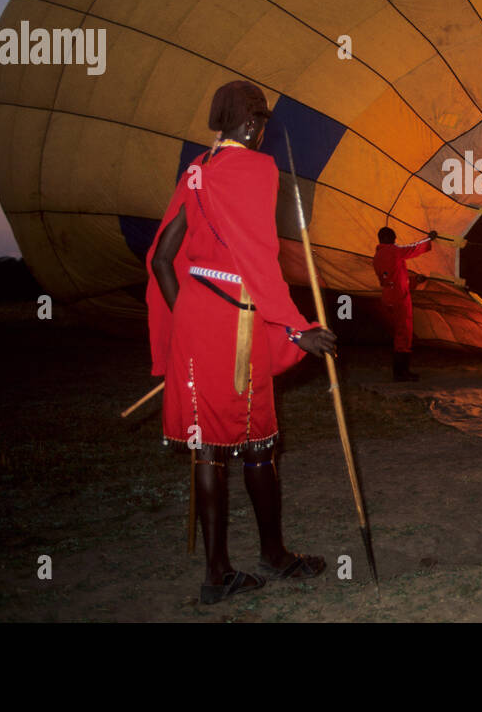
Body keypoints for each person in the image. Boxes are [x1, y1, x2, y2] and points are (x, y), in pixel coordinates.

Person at [147, 80, 337, 604]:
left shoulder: (197, 172)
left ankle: (217, 574)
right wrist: (297, 326)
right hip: (238, 320)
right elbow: (259, 260)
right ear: (253, 124)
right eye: (262, 127)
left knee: (207, 447)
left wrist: (185, 312)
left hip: (197, 319)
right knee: (258, 443)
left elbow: (162, 258)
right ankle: (274, 556)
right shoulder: (257, 168)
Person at [373, 226, 436, 381]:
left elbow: (394, 277)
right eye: (394, 239)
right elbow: (413, 249)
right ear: (391, 239)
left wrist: (415, 281)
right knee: (404, 333)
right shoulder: (393, 251)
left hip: (389, 295)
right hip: (398, 297)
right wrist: (429, 239)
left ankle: (400, 371)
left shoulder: (377, 256)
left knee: (400, 332)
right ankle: (401, 373)